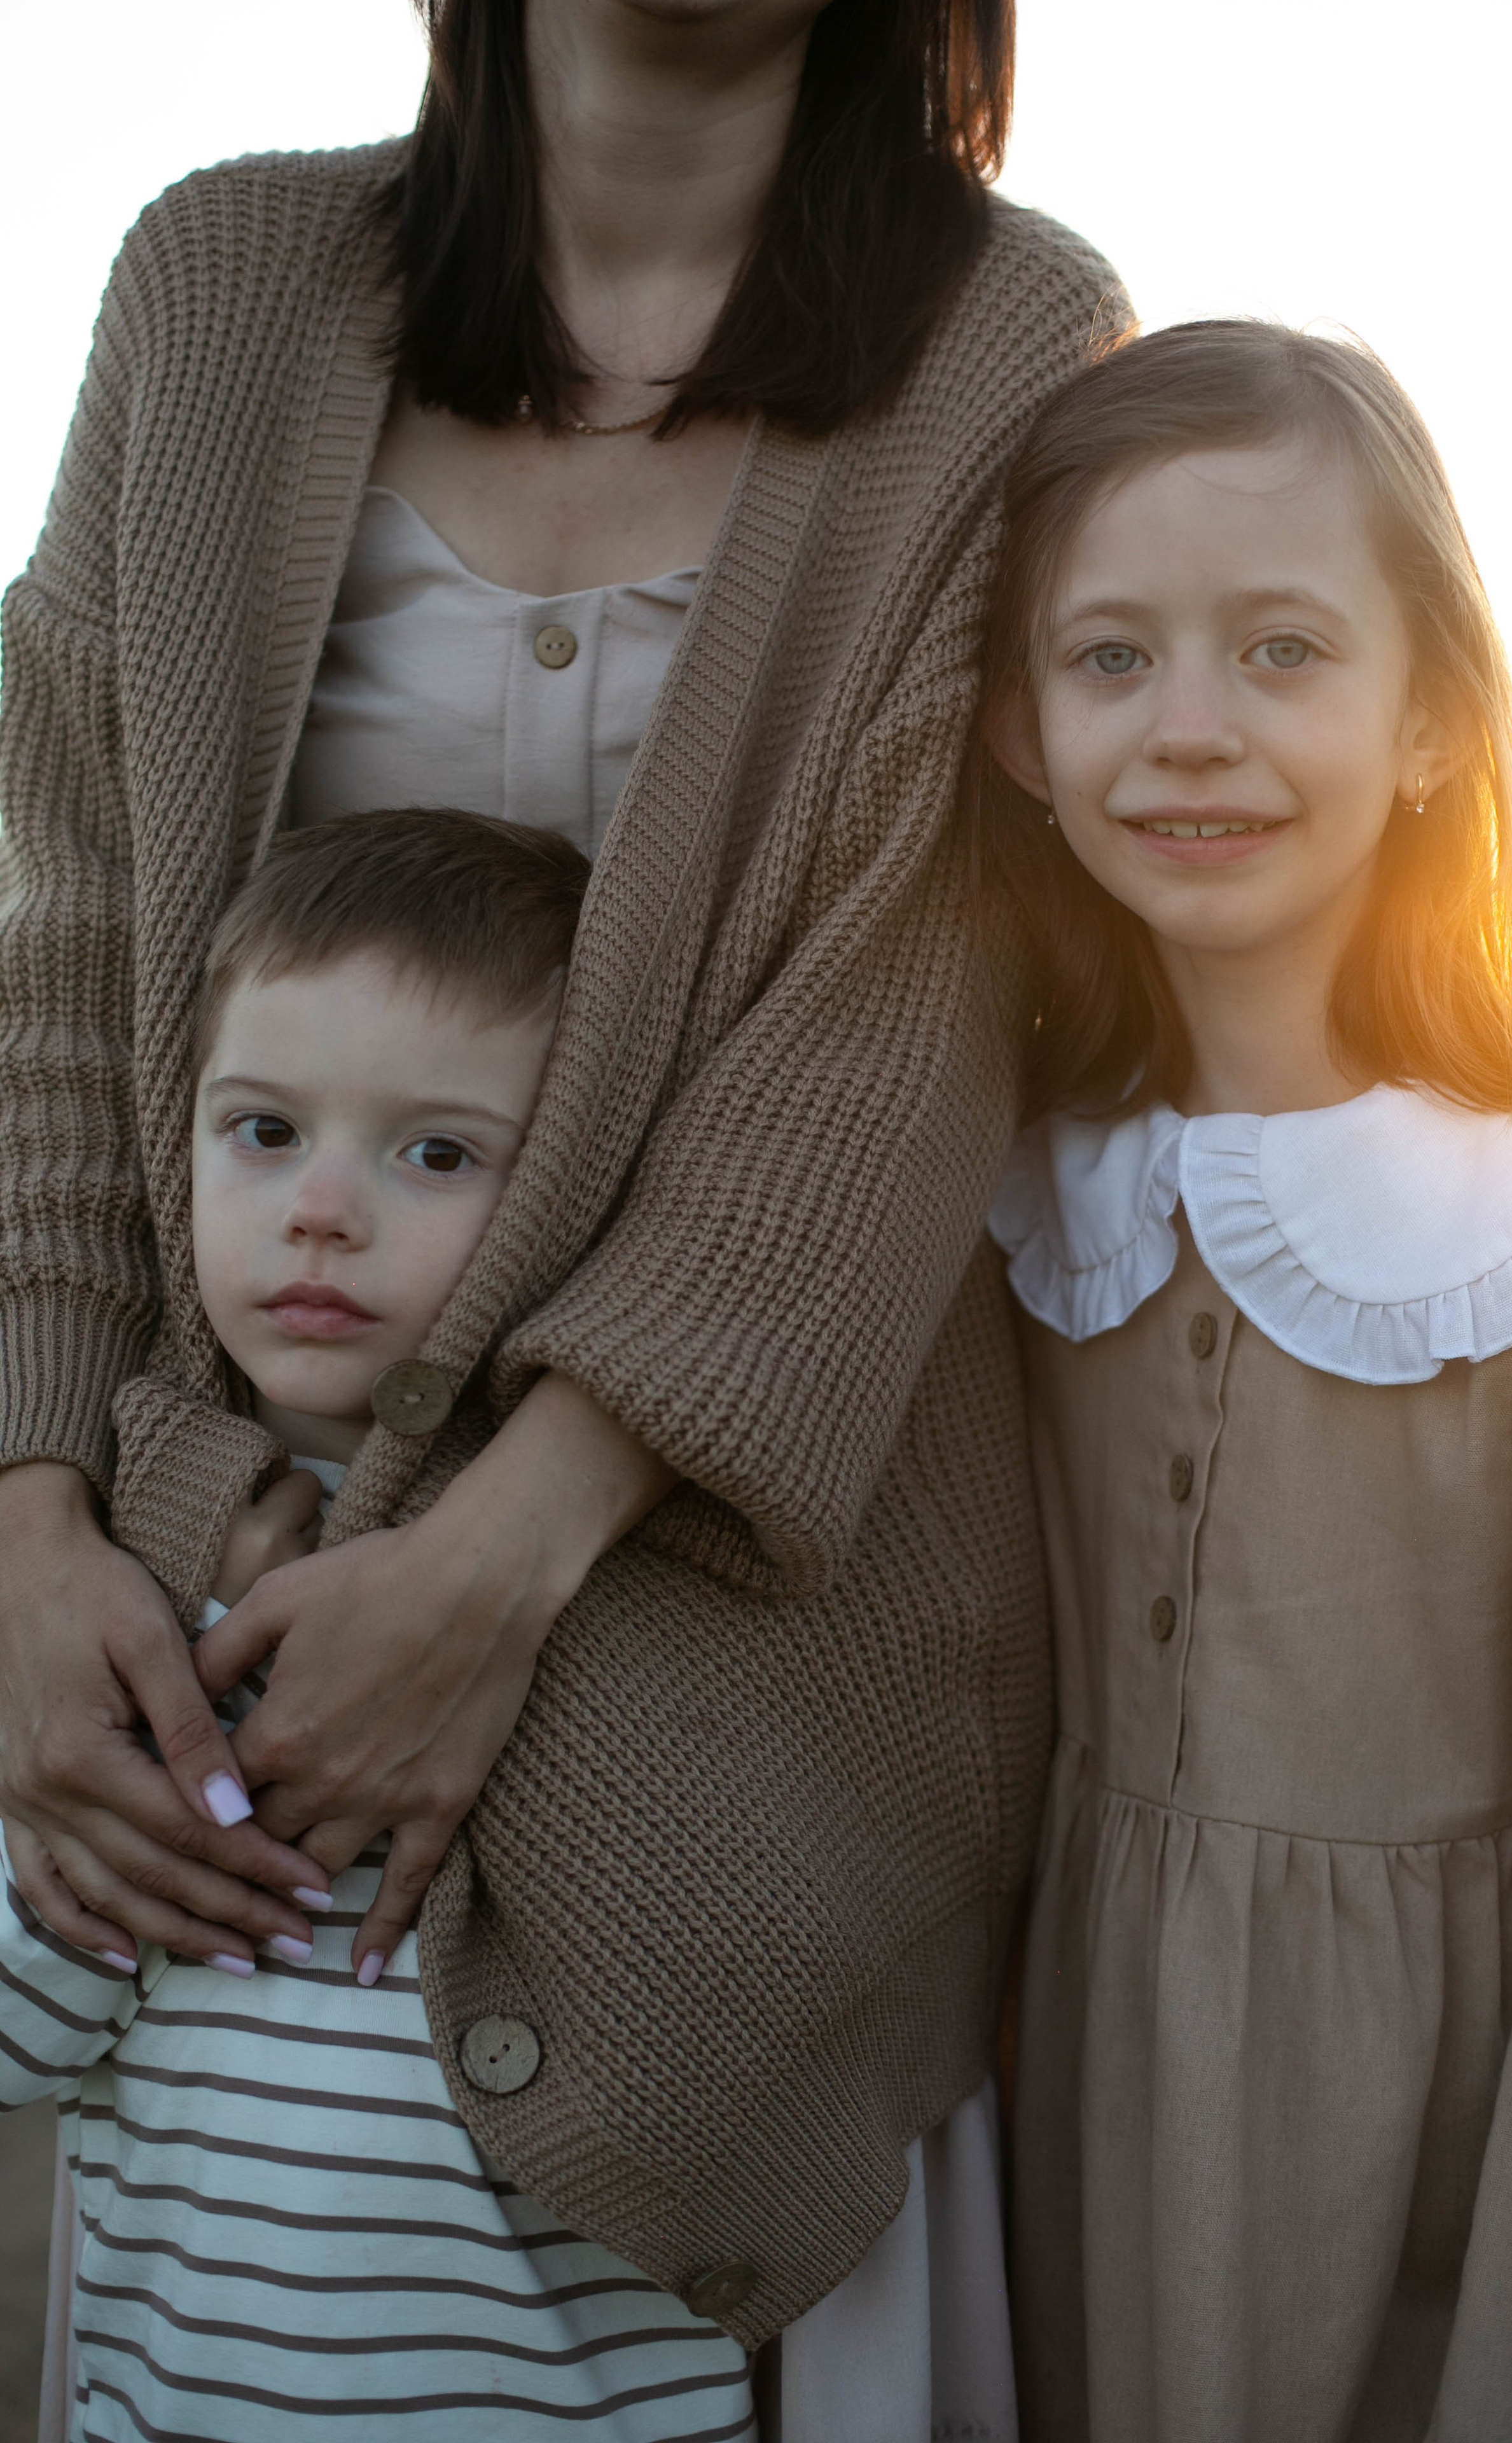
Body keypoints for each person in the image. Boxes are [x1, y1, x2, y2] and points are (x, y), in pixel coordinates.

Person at [0, 0, 1121, 2425]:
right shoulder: (216, 288)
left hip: (752, 1601)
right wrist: (24, 1517)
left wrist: (498, 1559)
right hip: (226, 1581)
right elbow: (64, 944)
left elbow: (923, 1016)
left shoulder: (1008, 339)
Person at [975, 321, 1512, 2440]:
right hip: (1061, 2139)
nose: (1189, 732)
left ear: (1433, 713)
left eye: (1280, 651)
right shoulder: (1010, 1195)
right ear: (1013, 724)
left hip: (1446, 2185)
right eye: (1110, 660)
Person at [1, 808, 773, 2437]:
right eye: (263, 1130)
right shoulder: (104, 1588)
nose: (322, 1211)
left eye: (435, 1153)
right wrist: (188, 1654)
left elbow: (729, 2064)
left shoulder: (637, 1582)